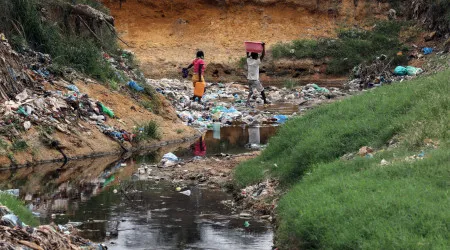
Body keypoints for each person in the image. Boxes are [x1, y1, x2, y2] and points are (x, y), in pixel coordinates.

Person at [246, 43, 269, 107]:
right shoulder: (256, 62)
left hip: (249, 79)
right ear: (256, 56)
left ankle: (247, 101)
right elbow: (263, 55)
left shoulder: (249, 60)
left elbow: (247, 53)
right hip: (255, 80)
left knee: (251, 91)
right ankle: (265, 101)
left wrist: (248, 47)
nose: (258, 56)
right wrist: (263, 46)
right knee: (262, 90)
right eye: (257, 55)